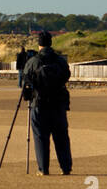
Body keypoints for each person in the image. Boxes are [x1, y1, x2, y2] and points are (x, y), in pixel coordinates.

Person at [22, 31, 71, 175]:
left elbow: (26, 81)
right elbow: (66, 75)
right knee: (61, 136)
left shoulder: (33, 61)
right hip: (58, 104)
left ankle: (43, 168)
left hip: (39, 104)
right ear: (51, 43)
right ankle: (66, 167)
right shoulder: (60, 61)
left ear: (39, 44)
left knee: (40, 137)